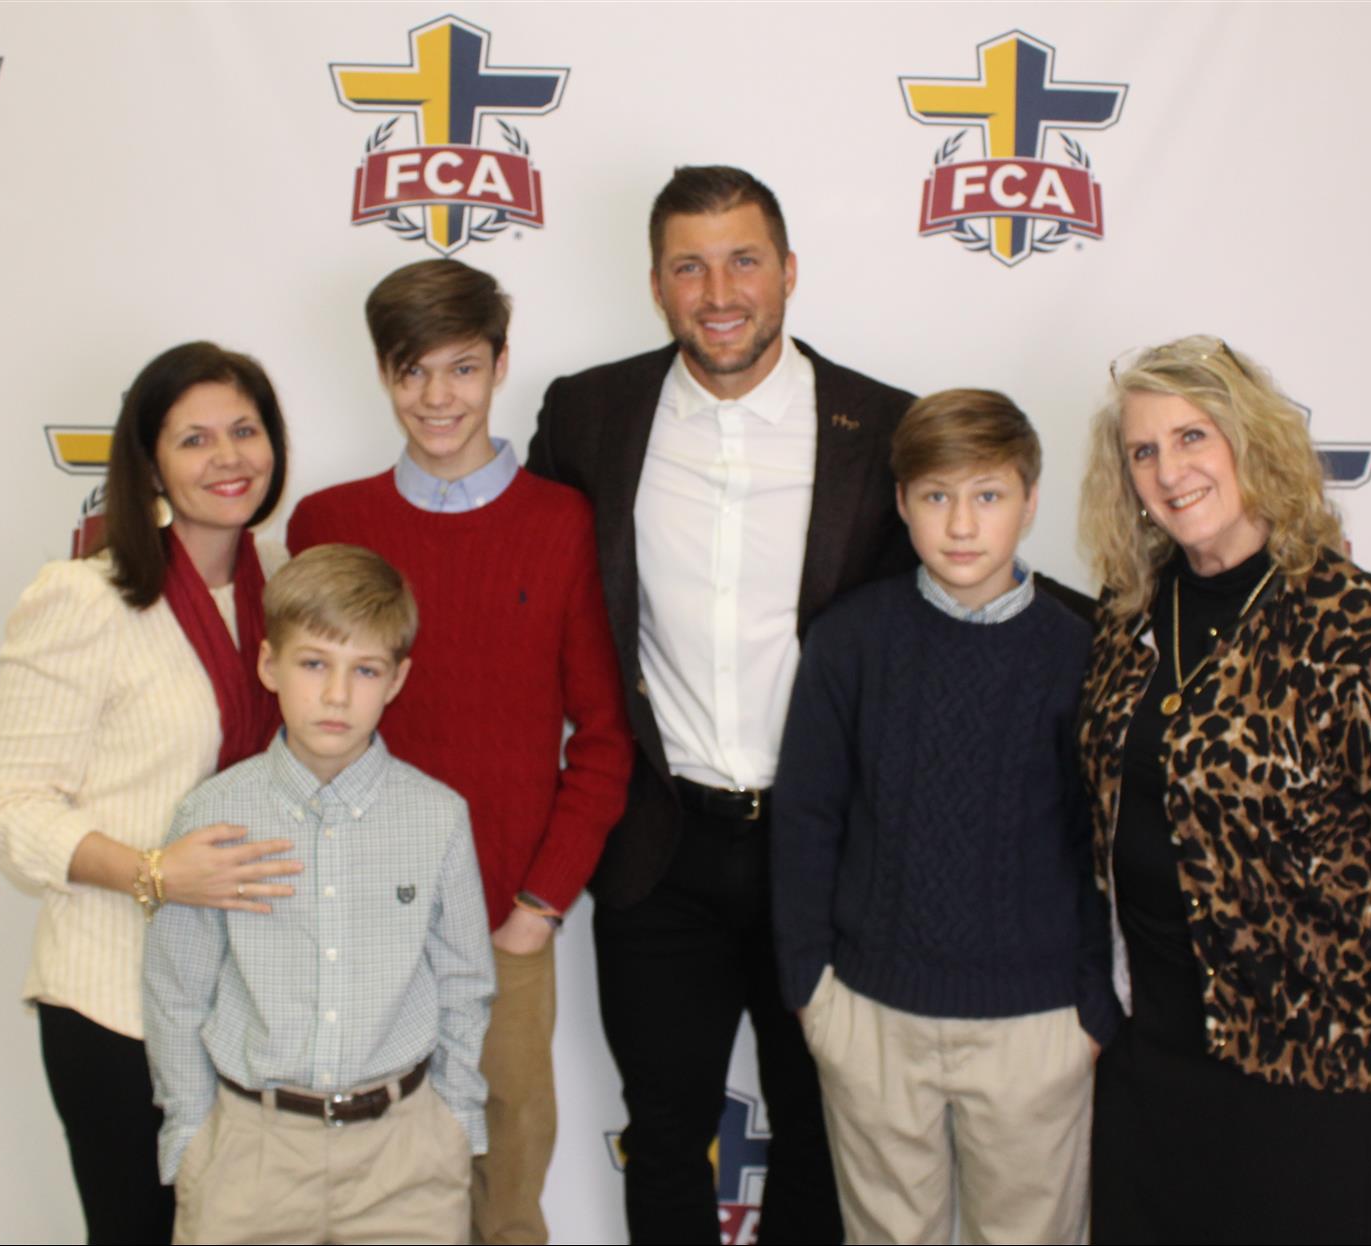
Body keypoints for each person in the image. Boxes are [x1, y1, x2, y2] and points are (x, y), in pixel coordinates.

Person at [526, 164, 911, 1243]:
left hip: (824, 851)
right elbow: (532, 589)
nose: (720, 292)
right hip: (661, 848)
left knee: (823, 1132)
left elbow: (953, 593)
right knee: (663, 1136)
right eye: (689, 268)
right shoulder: (589, 414)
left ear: (788, 271)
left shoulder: (885, 427)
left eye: (744, 260)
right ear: (656, 285)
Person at [1074, 336, 1371, 1243]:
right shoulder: (1127, 612)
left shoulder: (1352, 622)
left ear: (1249, 442)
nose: (1169, 471)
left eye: (1192, 437)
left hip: (1321, 1069)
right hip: (1153, 1057)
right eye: (1143, 450)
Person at [287, 258, 632, 1244]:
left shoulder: (561, 524)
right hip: (349, 921)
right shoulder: (329, 524)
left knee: (506, 1192)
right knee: (356, 1192)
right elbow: (298, 727)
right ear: (383, 373)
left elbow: (604, 738)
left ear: (501, 365)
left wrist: (537, 907)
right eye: (412, 371)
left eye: (462, 368)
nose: (438, 397)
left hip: (500, 924)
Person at [0, 342, 305, 1244]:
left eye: (245, 430)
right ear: (150, 464)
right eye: (193, 439)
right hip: (116, 999)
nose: (227, 457)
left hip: (259, 1002)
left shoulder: (290, 589)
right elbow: (11, 808)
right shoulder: (87, 597)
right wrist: (156, 873)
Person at [772, 389, 1118, 1245]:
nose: (962, 524)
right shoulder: (849, 640)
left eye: (988, 495)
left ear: (1030, 502)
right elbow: (807, 819)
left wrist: (1092, 1009)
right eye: (936, 496)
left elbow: (1103, 843)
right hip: (872, 1018)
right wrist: (812, 992)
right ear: (901, 502)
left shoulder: (1085, 650)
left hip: (1036, 1028)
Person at [143, 543, 495, 1245]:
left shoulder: (437, 818)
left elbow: (464, 982)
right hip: (250, 1156)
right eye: (313, 664)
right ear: (269, 664)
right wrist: (191, 1135)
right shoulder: (212, 814)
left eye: (365, 670)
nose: (337, 695)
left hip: (405, 1161)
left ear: (397, 680)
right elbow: (177, 990)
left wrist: (454, 1121)